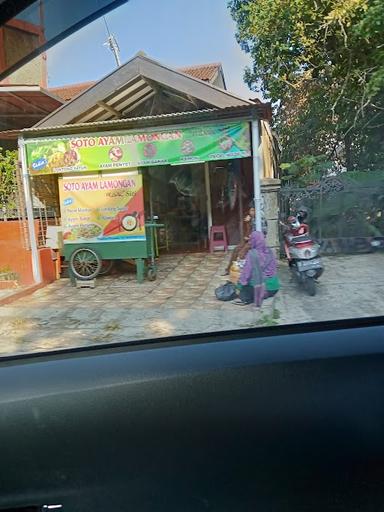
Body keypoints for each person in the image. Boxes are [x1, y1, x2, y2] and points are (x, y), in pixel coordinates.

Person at [233, 231, 280, 306]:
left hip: (261, 287)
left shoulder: (252, 254)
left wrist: (239, 286)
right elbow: (275, 266)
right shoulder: (270, 251)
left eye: (251, 240)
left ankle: (251, 297)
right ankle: (263, 295)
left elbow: (246, 274)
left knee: (244, 287)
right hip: (274, 288)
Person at [223, 203, 267, 275]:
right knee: (236, 250)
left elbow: (262, 234)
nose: (251, 212)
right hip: (250, 240)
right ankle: (228, 270)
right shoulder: (252, 218)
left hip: (256, 241)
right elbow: (249, 231)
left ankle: (245, 272)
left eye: (253, 210)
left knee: (241, 253)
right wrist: (247, 223)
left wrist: (250, 237)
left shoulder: (260, 219)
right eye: (250, 211)